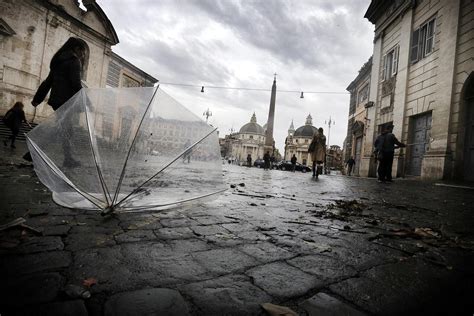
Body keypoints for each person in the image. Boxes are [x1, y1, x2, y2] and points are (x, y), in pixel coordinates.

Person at [28, 37, 88, 166]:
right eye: (82, 51)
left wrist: (37, 99)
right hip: (67, 101)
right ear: (76, 49)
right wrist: (87, 102)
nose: (82, 54)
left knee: (65, 129)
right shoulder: (73, 61)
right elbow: (76, 84)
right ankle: (34, 153)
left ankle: (67, 158)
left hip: (57, 100)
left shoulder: (59, 60)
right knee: (62, 129)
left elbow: (48, 82)